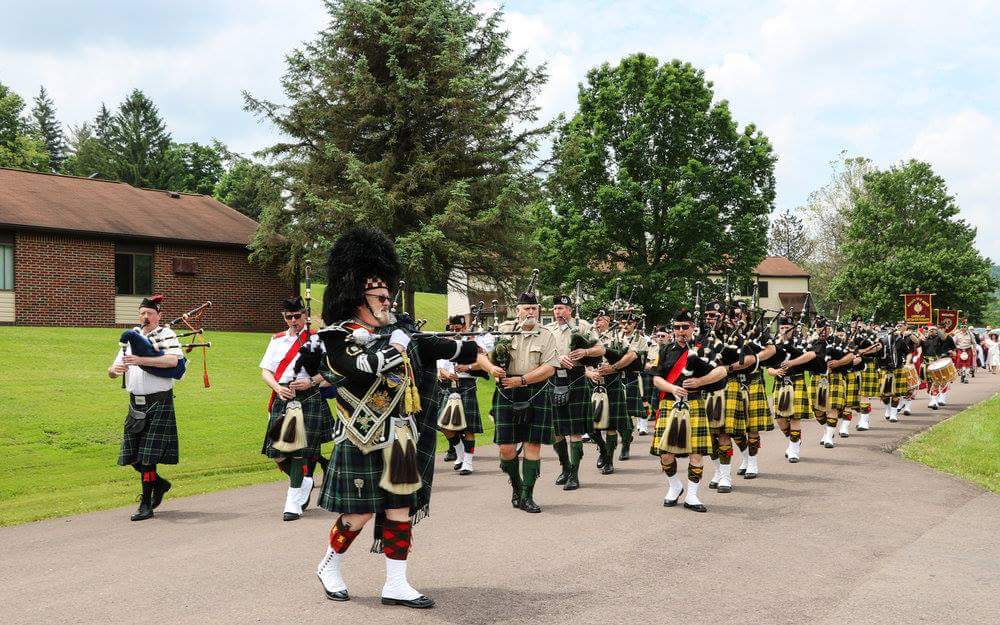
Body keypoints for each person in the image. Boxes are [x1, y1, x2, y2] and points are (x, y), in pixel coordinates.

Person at [313, 226, 482, 608]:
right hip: (360, 435)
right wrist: (398, 343)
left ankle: (396, 583)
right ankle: (329, 564)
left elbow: (440, 347)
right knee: (356, 515)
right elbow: (361, 367)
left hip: (400, 435)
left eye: (389, 295)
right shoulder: (337, 336)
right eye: (381, 296)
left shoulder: (395, 331)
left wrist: (468, 348)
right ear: (360, 297)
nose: (388, 301)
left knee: (400, 508)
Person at [108, 294, 184, 522]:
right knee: (132, 456)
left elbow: (172, 362)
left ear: (158, 316)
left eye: (150, 313)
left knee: (148, 457)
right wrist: (114, 371)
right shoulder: (130, 337)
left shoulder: (166, 335)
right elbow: (112, 370)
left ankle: (146, 503)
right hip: (135, 404)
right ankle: (159, 484)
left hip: (159, 402)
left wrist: (141, 360)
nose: (145, 317)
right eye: (142, 313)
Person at [482, 290, 559, 513]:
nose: (531, 312)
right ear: (517, 311)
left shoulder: (546, 335)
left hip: (535, 391)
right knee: (506, 448)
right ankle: (516, 486)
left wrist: (522, 380)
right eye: (526, 308)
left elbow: (550, 367)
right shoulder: (503, 331)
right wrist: (491, 368)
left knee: (532, 445)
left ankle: (527, 495)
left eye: (534, 308)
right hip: (506, 392)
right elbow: (478, 354)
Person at [259, 296, 335, 521]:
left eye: (297, 316)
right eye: (288, 316)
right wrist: (277, 387)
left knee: (298, 451)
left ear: (305, 315)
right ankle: (304, 482)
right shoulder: (277, 340)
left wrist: (312, 381)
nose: (293, 320)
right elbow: (266, 371)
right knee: (277, 453)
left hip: (308, 397)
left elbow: (333, 371)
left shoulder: (316, 340)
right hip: (283, 397)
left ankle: (292, 501)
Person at [650, 308, 727, 512]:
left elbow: (721, 371)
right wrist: (672, 387)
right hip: (669, 403)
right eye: (677, 327)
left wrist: (701, 381)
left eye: (685, 327)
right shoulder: (665, 349)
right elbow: (656, 378)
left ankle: (692, 495)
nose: (680, 330)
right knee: (665, 454)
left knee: (696, 453)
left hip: (694, 403)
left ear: (692, 327)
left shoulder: (705, 347)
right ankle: (675, 486)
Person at [545, 294, 604, 491]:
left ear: (570, 311)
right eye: (555, 308)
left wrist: (585, 352)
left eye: (561, 308)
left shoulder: (583, 326)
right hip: (553, 378)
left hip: (576, 378)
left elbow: (601, 349)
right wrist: (557, 357)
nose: (558, 312)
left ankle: (574, 475)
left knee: (575, 431)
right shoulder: (547, 329)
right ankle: (565, 468)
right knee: (556, 431)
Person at [434, 314, 489, 475]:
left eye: (458, 327)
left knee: (468, 427)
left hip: (466, 385)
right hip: (449, 386)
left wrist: (468, 368)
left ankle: (468, 462)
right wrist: (445, 372)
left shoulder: (474, 341)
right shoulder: (445, 342)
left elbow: (485, 363)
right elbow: (439, 365)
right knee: (443, 424)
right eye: (452, 327)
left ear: (464, 327)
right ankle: (459, 453)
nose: (455, 330)